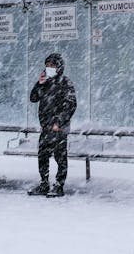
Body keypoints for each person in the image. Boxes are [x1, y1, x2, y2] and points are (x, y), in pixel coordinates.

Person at [28, 53, 77, 197]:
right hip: (46, 126)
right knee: (43, 156)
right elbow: (33, 98)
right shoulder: (45, 82)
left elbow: (70, 105)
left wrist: (58, 122)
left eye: (53, 65)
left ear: (59, 67)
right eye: (47, 65)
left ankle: (59, 185)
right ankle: (44, 183)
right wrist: (39, 83)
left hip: (59, 128)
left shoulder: (65, 83)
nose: (49, 68)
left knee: (60, 157)